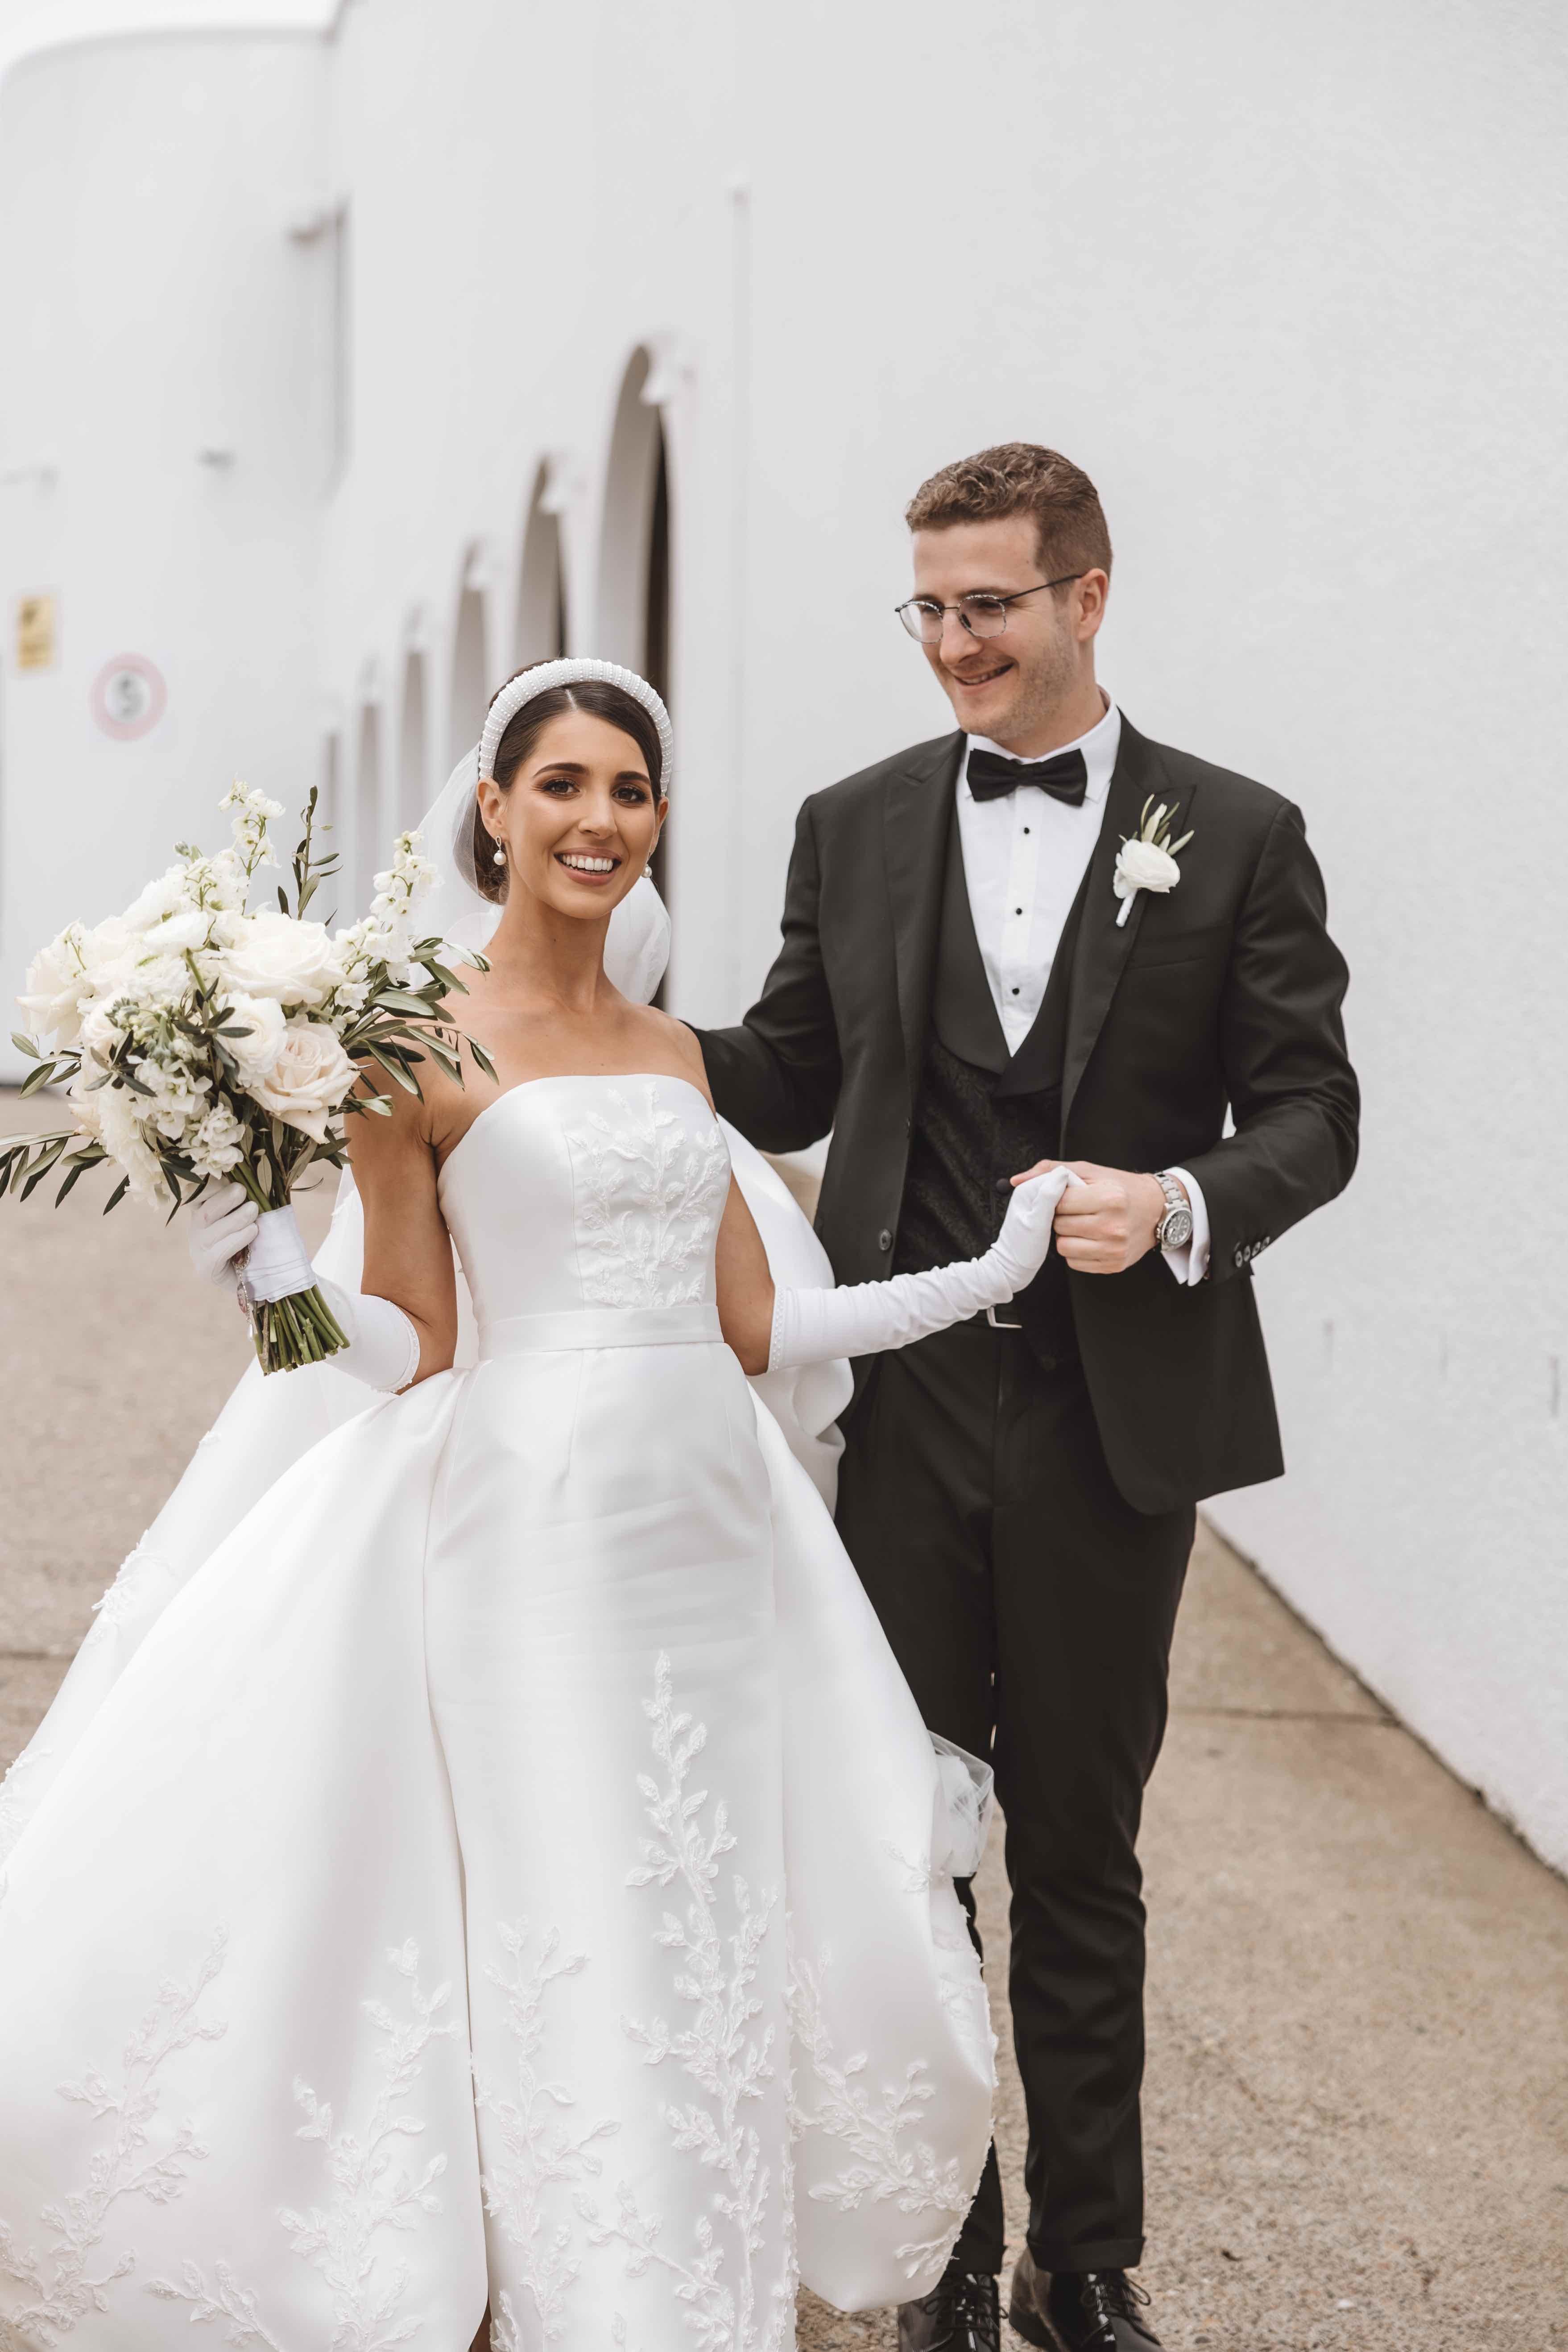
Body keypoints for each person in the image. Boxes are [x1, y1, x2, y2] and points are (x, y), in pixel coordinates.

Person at [0, 658, 1080, 2352]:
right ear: (490, 811)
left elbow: (756, 1327)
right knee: (562, 1890)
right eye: (563, 785)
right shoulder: (402, 1041)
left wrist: (993, 1269)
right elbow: (410, 1343)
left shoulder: (668, 1047)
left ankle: (694, 2286)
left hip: (710, 1528)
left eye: (631, 791)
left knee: (698, 1897)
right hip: (530, 1525)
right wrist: (271, 1278)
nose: (600, 820)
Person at [695, 447, 1360, 2352]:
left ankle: (1082, 2263)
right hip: (898, 1405)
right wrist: (565, 1026)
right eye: (928, 604)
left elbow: (1314, 1112)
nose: (953, 641)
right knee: (907, 1840)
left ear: (1088, 595)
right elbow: (791, 1066)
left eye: (988, 601)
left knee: (1077, 1835)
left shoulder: (1232, 831)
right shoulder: (856, 820)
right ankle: (935, 2255)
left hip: (1109, 1421)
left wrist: (1183, 1206)